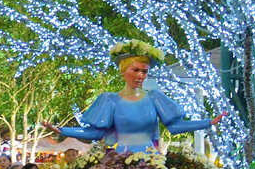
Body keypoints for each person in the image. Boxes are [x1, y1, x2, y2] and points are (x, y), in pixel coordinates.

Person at [44, 40, 221, 153]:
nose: (140, 75)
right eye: (135, 70)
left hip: (151, 158)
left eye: (144, 71)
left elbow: (174, 126)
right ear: (123, 71)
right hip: (121, 158)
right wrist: (63, 131)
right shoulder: (109, 100)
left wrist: (208, 122)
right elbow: (96, 133)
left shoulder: (154, 97)